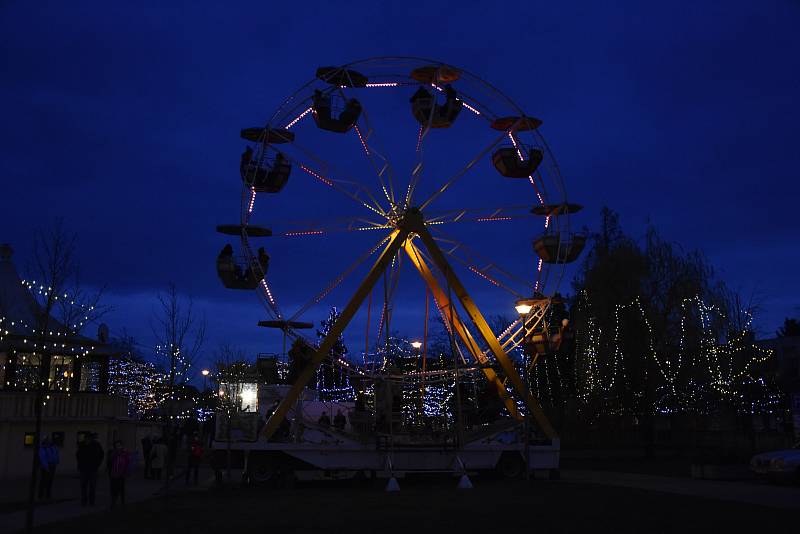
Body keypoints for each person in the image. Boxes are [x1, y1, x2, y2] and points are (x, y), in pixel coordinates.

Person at [76, 433, 104, 506]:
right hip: (84, 469)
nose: (87, 439)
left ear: (91, 438)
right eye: (86, 438)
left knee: (92, 486)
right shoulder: (82, 445)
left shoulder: (96, 445)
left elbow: (101, 455)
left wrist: (97, 464)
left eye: (89, 438)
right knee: (83, 486)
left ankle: (91, 501)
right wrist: (80, 465)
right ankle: (84, 501)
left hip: (93, 469)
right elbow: (78, 455)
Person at [107, 440, 131, 508]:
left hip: (122, 474)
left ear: (121, 446)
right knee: (113, 488)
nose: (118, 447)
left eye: (119, 445)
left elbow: (128, 463)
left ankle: (122, 501)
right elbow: (109, 462)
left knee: (121, 488)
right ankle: (113, 501)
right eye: (116, 445)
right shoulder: (112, 453)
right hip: (113, 473)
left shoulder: (125, 453)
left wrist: (126, 472)